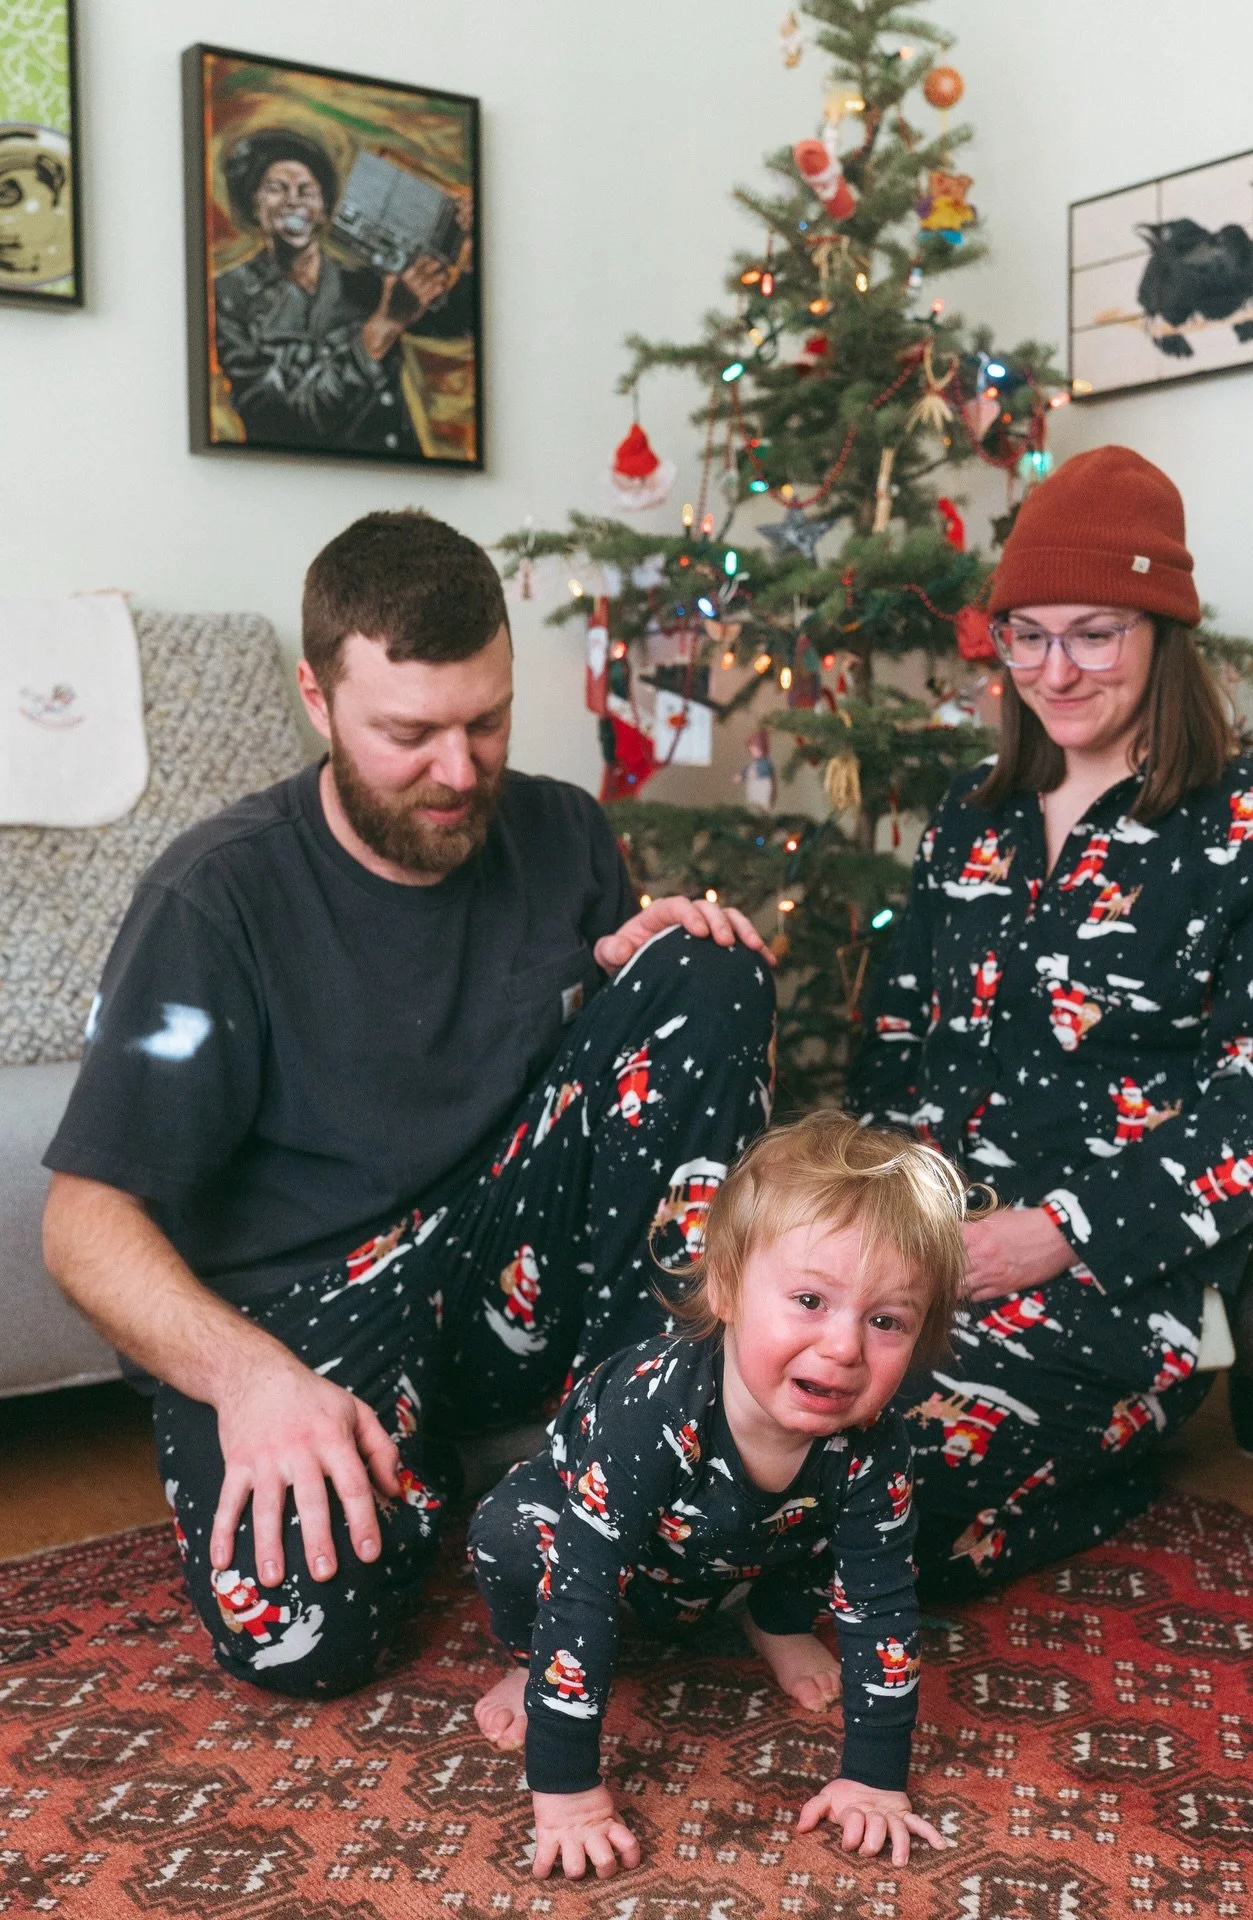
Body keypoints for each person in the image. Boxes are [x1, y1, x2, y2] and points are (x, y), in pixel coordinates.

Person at [41, 509, 777, 1695]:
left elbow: (614, 1118)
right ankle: (457, 1465)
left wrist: (629, 978)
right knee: (299, 1640)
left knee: (710, 966)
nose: (459, 770)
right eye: (409, 733)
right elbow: (82, 1224)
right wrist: (251, 1381)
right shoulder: (212, 901)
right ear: (317, 699)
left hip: (497, 1266)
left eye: (486, 722)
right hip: (309, 1315)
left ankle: (621, 1454)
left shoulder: (562, 831)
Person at [847, 445, 1253, 1596]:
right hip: (915, 1249)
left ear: (1165, 634)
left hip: (1113, 1284)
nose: (1054, 670)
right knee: (737, 1416)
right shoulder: (968, 817)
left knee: (880, 1494)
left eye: (1095, 634)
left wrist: (1055, 1233)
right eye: (1026, 635)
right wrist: (878, 1219)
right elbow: (893, 1040)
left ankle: (1100, 1472)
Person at [467, 1112, 970, 1882]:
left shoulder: (876, 1444)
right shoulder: (649, 1411)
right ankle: (528, 1658)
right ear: (728, 1288)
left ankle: (773, 1619)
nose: (844, 1347)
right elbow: (583, 1586)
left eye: (885, 1320)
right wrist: (567, 1794)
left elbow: (881, 1605)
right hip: (603, 1547)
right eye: (810, 1301)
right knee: (507, 1531)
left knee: (863, 1541)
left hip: (744, 1552)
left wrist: (875, 1779)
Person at [212, 128, 470, 456]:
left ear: (323, 209)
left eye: (307, 190)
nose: (294, 200)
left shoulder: (364, 280)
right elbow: (277, 421)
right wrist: (382, 329)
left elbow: (458, 322)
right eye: (276, 189)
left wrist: (469, 248)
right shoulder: (229, 294)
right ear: (254, 206)